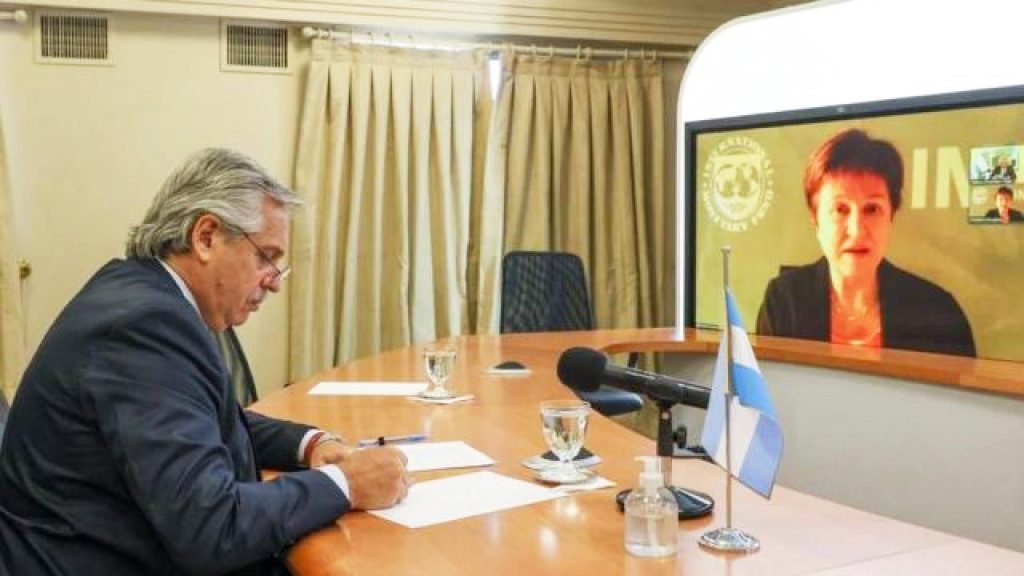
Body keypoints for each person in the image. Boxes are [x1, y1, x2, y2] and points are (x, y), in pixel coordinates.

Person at [0, 149, 411, 575]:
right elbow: (212, 529)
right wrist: (347, 485)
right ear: (206, 237)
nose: (274, 283)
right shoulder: (144, 327)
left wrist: (310, 444)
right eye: (266, 256)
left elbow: (205, 418)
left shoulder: (139, 293)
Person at [756, 129, 976, 357]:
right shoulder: (784, 302)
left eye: (872, 209)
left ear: (891, 216)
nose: (857, 230)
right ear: (816, 219)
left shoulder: (939, 314)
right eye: (840, 209)